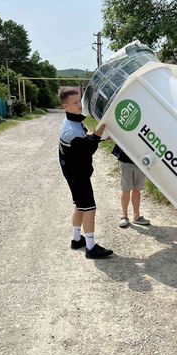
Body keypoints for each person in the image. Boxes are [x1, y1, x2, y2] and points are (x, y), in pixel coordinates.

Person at [58, 88, 113, 259]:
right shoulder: (71, 131)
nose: (80, 104)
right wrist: (98, 134)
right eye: (75, 102)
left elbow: (85, 142)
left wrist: (99, 138)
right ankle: (90, 247)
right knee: (90, 208)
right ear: (66, 107)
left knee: (80, 205)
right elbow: (87, 149)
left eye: (79, 100)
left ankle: (77, 239)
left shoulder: (73, 122)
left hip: (74, 173)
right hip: (77, 175)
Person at [112, 144, 151, 228]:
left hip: (141, 160)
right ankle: (124, 216)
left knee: (137, 189)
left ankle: (137, 216)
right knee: (126, 189)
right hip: (125, 158)